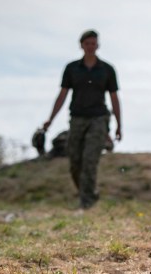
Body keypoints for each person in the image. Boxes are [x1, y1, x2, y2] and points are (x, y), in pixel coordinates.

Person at [42, 30, 122, 209]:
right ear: (81, 45)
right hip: (77, 118)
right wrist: (50, 119)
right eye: (87, 44)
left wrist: (118, 125)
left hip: (99, 119)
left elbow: (114, 98)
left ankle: (86, 204)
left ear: (98, 45)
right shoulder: (72, 69)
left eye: (94, 43)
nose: (91, 47)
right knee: (75, 162)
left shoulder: (107, 70)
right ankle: (89, 193)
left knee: (90, 160)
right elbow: (62, 95)